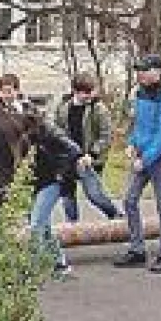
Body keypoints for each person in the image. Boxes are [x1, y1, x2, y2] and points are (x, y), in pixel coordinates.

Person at [113, 55, 161, 273]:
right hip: (141, 155)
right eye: (139, 70)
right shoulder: (140, 95)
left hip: (159, 158)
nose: (140, 74)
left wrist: (146, 158)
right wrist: (132, 144)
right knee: (129, 200)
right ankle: (137, 248)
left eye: (144, 70)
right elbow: (138, 126)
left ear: (158, 72)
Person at [23, 109, 85, 278]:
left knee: (36, 224)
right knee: (44, 226)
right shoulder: (23, 137)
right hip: (35, 183)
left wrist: (61, 173)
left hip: (51, 182)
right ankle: (59, 264)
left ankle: (34, 267)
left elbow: (74, 149)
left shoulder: (49, 133)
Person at [53, 75, 118, 221]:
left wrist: (92, 154)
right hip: (68, 158)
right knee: (67, 195)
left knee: (94, 195)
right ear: (76, 91)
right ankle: (72, 226)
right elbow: (56, 131)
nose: (89, 95)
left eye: (91, 91)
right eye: (85, 92)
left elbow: (106, 135)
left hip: (88, 159)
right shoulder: (63, 107)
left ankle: (116, 215)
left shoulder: (98, 109)